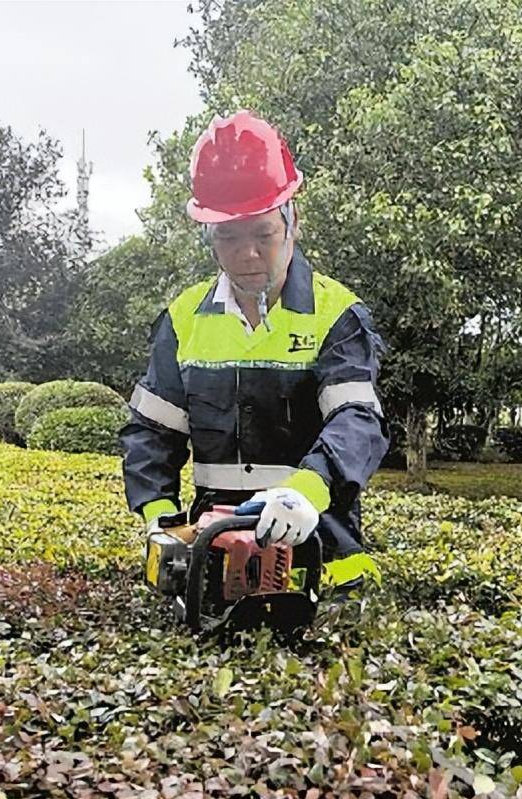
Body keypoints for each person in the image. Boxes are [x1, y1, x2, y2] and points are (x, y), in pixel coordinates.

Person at [119, 110, 388, 592]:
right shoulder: (183, 320)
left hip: (325, 566)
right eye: (229, 237)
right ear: (210, 238)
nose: (247, 254)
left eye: (263, 234)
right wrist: (162, 522)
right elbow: (150, 435)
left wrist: (306, 491)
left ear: (292, 222)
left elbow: (358, 421)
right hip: (215, 565)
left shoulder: (337, 316)